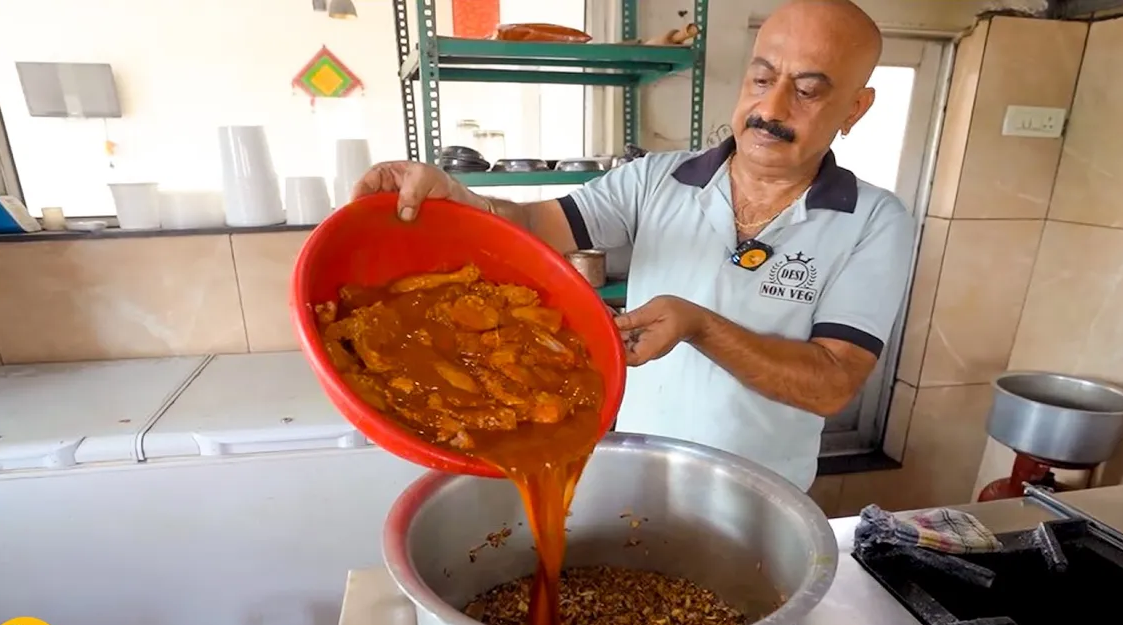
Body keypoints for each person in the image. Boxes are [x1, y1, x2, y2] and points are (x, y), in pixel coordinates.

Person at [351, 0, 913, 491]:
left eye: (808, 91)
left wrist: (701, 326)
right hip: (632, 474)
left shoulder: (874, 221)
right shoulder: (654, 179)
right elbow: (530, 224)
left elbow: (832, 384)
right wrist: (456, 195)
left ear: (855, 110)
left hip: (761, 499)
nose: (772, 110)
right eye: (762, 80)